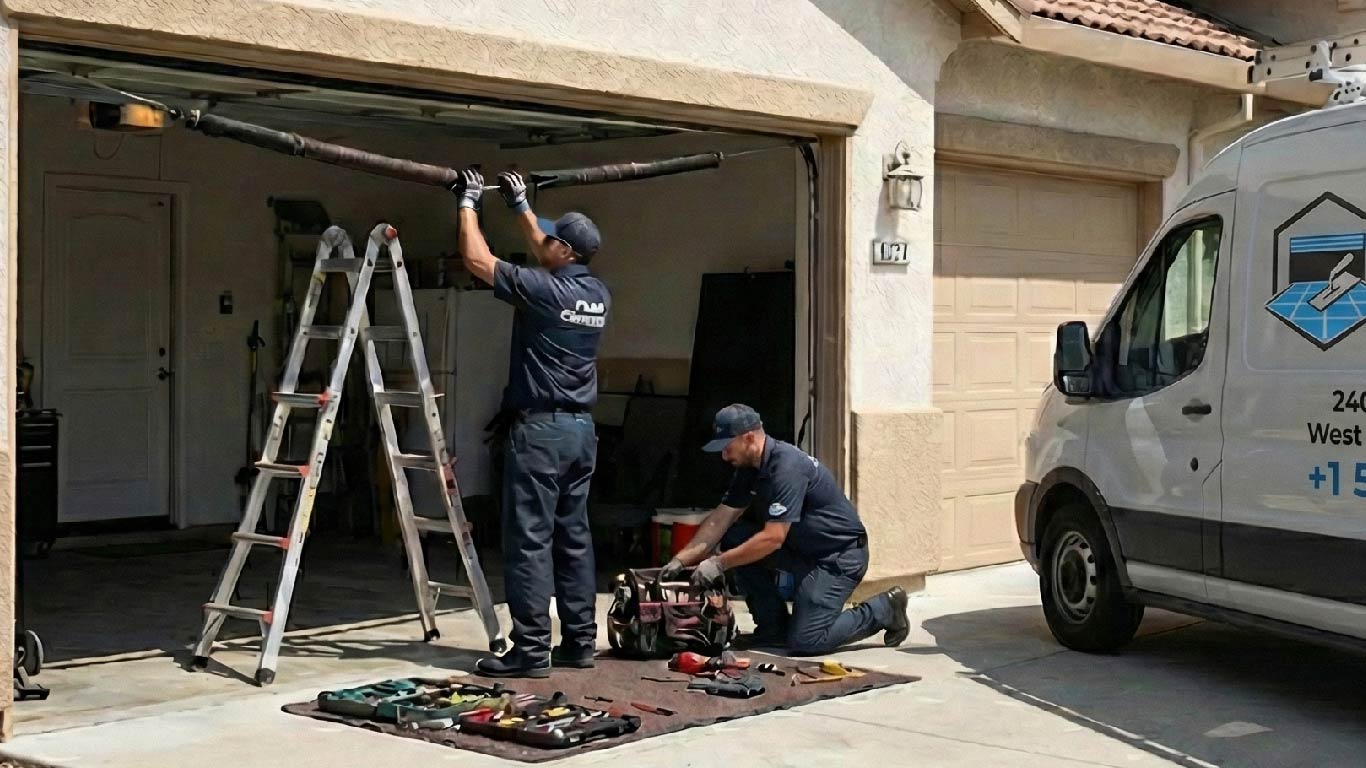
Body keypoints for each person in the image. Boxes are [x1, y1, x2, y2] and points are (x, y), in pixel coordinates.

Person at [452, 167, 610, 678]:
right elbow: (545, 243)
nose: (543, 241)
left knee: (529, 541)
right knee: (573, 538)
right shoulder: (596, 294)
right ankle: (580, 642)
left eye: (552, 238)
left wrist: (469, 203)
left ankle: (531, 649)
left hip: (540, 432)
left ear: (564, 252)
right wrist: (521, 206)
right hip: (581, 433)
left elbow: (477, 260)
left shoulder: (545, 291)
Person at [661, 404, 909, 655]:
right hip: (801, 550)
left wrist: (718, 564)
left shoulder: (787, 467)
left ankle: (883, 609)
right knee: (735, 537)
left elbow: (772, 539)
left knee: (806, 640)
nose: (724, 456)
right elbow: (719, 520)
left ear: (749, 438)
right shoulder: (749, 468)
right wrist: (679, 562)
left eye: (727, 447)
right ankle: (772, 629)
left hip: (838, 558)